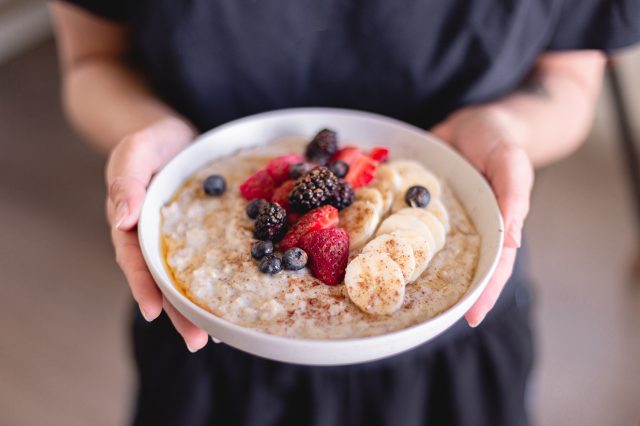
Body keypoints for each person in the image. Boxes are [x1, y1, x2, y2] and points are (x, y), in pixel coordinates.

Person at [49, 1, 639, 425]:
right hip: (209, 356)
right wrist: (149, 133)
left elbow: (566, 82)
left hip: (455, 349)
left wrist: (505, 130)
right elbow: (92, 61)